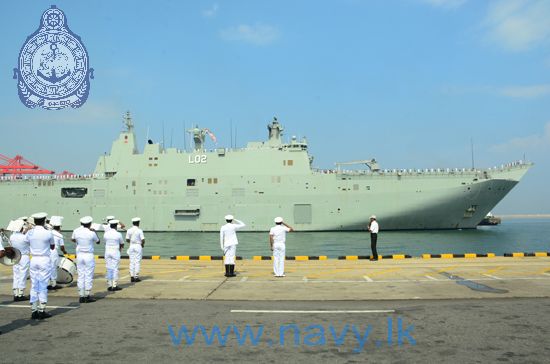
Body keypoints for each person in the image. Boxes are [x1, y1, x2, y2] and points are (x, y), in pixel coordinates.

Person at [25, 212, 55, 319]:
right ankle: (41, 310)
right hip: (44, 259)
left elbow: (26, 242)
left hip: (33, 259)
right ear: (43, 221)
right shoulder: (48, 233)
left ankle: (34, 310)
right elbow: (52, 247)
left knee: (34, 284)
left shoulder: (30, 233)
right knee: (42, 285)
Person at [72, 216, 100, 303]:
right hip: (88, 255)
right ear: (90, 224)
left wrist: (79, 242)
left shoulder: (77, 231)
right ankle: (87, 295)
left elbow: (72, 239)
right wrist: (95, 232)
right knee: (88, 275)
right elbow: (98, 241)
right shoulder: (91, 233)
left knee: (81, 275)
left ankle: (81, 295)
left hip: (79, 255)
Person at [10, 219, 30, 301]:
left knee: (16, 274)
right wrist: (29, 230)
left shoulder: (12, 236)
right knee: (23, 274)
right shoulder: (24, 237)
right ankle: (20, 294)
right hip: (24, 256)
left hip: (15, 256)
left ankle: (15, 293)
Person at [104, 219, 124, 291]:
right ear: (116, 226)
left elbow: (105, 242)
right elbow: (122, 243)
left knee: (109, 268)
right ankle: (114, 285)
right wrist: (120, 250)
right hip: (115, 251)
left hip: (107, 252)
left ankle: (109, 285)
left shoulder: (106, 234)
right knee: (115, 268)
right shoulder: (118, 234)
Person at [48, 216, 67, 290]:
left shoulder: (49, 232)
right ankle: (53, 284)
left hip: (47, 251)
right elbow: (62, 247)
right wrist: (64, 252)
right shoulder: (59, 235)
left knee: (48, 267)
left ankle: (48, 283)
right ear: (59, 227)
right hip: (53, 251)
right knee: (53, 267)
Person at [126, 217, 145, 282]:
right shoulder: (139, 230)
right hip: (138, 246)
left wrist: (131, 242)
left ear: (133, 223)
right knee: (137, 261)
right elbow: (143, 239)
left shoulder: (129, 230)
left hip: (131, 246)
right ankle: (136, 277)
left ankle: (132, 276)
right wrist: (142, 245)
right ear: (138, 223)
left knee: (131, 261)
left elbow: (127, 239)